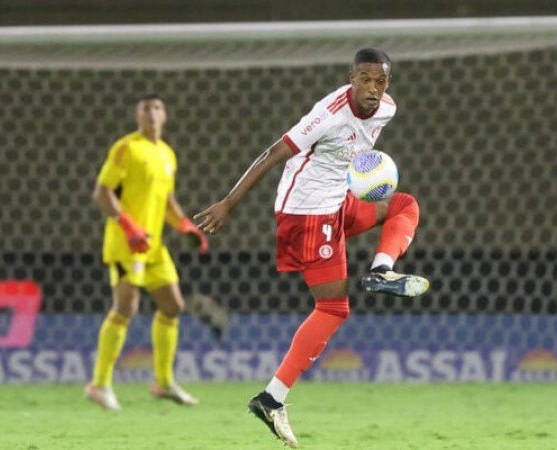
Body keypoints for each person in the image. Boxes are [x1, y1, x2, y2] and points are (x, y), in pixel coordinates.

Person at [195, 48, 429, 447]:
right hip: (305, 213)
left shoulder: (387, 109)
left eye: (381, 81)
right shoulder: (328, 113)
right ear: (351, 78)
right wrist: (228, 203)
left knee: (404, 205)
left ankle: (381, 270)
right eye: (365, 79)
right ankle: (271, 399)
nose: (373, 88)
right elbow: (272, 153)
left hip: (338, 203)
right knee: (333, 308)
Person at [84, 94, 208, 410]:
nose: (151, 113)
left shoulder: (167, 153)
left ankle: (163, 382)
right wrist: (128, 226)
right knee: (126, 307)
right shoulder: (126, 148)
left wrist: (185, 227)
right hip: (126, 242)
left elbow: (166, 200)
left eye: (157, 108)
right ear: (137, 116)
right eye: (145, 108)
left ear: (164, 115)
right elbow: (102, 192)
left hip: (153, 245)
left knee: (172, 305)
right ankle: (99, 384)